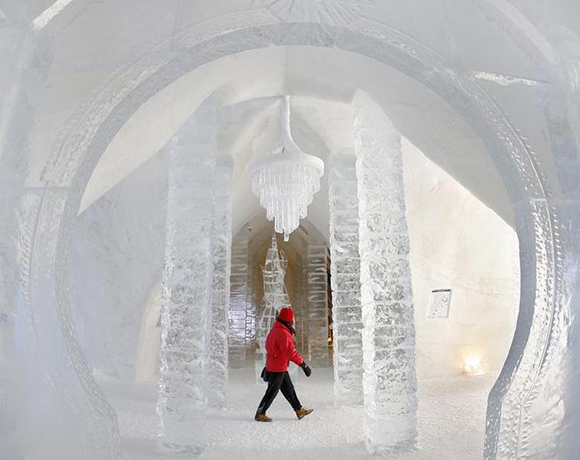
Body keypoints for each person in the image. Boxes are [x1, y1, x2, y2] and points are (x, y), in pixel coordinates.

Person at [255, 307, 313, 422]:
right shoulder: (283, 334)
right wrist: (303, 365)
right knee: (272, 391)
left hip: (276, 365)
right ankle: (260, 413)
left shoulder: (275, 329)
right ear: (288, 321)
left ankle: (298, 410)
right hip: (277, 367)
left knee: (289, 389)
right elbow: (290, 352)